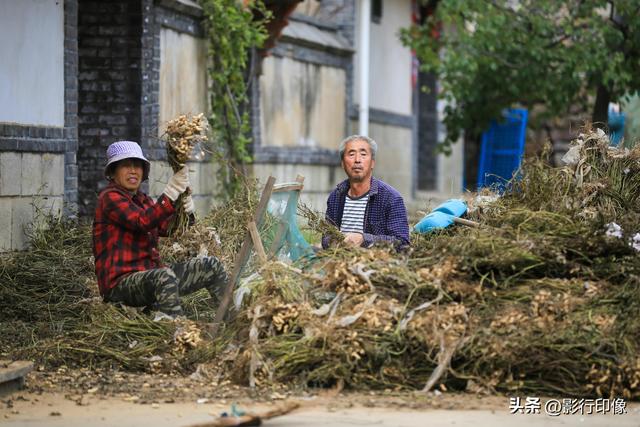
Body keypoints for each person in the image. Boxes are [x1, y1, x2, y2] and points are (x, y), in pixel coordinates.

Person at [92, 140, 227, 320]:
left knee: (211, 265)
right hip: (120, 285)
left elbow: (167, 229)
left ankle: (233, 319)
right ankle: (179, 334)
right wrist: (169, 194)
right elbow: (143, 221)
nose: (133, 170)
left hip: (150, 278)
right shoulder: (109, 198)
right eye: (126, 165)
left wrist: (185, 211)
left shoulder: (143, 200)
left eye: (137, 166)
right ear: (113, 172)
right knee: (163, 276)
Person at [322, 135, 410, 249]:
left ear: (372, 163)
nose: (357, 160)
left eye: (363, 154)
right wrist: (332, 242)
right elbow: (325, 237)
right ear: (343, 163)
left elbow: (402, 243)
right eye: (351, 154)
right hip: (339, 263)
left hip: (376, 264)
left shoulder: (391, 198)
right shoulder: (335, 197)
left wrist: (364, 239)